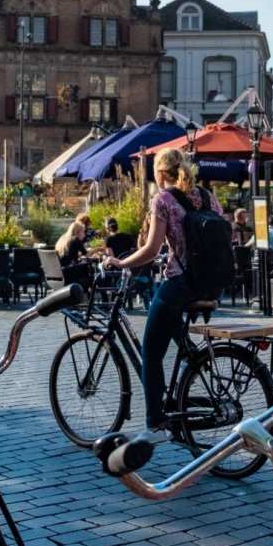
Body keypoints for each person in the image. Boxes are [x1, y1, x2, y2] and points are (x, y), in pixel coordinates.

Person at [102, 146, 223, 446]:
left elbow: (152, 249)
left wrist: (121, 262)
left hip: (180, 283)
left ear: (159, 173)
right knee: (171, 331)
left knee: (150, 353)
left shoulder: (164, 199)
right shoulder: (208, 197)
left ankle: (155, 424)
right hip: (209, 283)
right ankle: (189, 371)